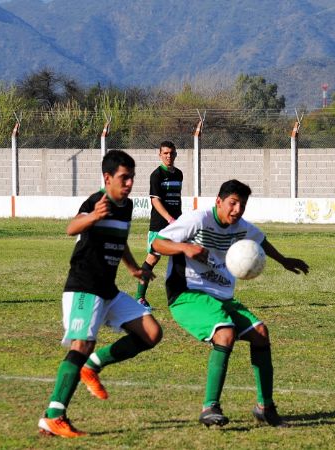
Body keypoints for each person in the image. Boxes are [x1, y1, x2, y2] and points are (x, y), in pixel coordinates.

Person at [151, 179, 309, 428]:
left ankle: (265, 407)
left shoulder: (241, 227)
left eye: (242, 205)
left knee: (260, 332)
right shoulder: (198, 220)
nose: (237, 210)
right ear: (218, 202)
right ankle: (209, 407)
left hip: (222, 297)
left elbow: (261, 240)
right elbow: (157, 243)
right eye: (232, 203)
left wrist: (283, 260)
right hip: (187, 294)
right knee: (225, 333)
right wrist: (185, 248)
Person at [38, 150, 163, 438]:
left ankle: (93, 367)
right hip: (84, 286)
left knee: (151, 333)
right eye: (124, 177)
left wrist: (133, 268)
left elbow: (119, 240)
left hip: (108, 289)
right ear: (107, 178)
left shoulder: (127, 206)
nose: (129, 183)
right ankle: (53, 416)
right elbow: (72, 228)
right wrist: (93, 216)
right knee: (81, 345)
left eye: (132, 177)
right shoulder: (97, 201)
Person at [135, 141, 183, 309]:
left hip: (177, 224)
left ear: (175, 154)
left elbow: (177, 199)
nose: (168, 156)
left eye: (171, 153)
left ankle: (180, 295)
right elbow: (155, 201)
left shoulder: (179, 174)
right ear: (160, 155)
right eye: (165, 153)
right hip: (160, 224)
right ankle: (140, 298)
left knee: (180, 258)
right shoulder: (156, 175)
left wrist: (180, 220)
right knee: (153, 259)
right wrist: (170, 219)